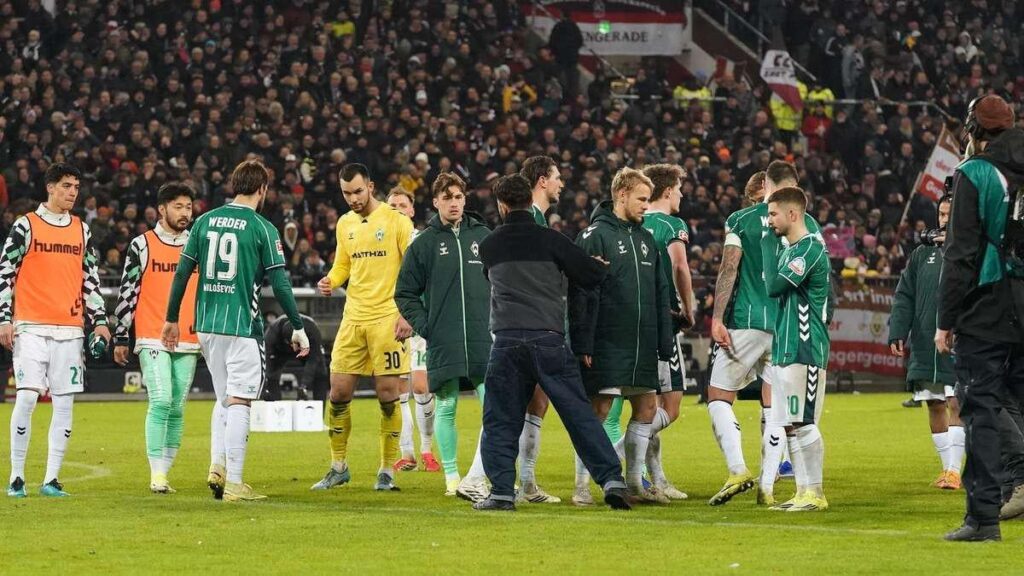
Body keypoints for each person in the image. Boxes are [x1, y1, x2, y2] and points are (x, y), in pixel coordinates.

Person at [473, 174, 630, 512]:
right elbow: (589, 275)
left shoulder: (489, 246)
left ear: (501, 205)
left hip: (506, 341)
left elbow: (491, 277)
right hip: (548, 338)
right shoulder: (552, 240)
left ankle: (501, 491)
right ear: (530, 201)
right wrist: (597, 266)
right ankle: (611, 479)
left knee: (501, 418)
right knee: (578, 414)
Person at [162, 159, 310, 502]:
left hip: (208, 326)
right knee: (241, 400)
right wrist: (298, 325)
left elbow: (182, 273)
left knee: (224, 397)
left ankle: (218, 465)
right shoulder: (263, 228)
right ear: (262, 189)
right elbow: (281, 285)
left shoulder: (204, 222)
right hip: (242, 326)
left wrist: (171, 318)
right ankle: (236, 483)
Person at [937, 94, 1024, 542]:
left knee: (982, 407)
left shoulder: (974, 173)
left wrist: (945, 319)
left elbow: (961, 254)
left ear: (975, 129)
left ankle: (984, 519)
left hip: (988, 303)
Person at [707, 163, 820, 507]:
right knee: (775, 408)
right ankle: (767, 487)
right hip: (785, 326)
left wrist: (716, 317)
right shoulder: (806, 223)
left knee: (718, 395)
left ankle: (738, 469)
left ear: (767, 183)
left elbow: (729, 268)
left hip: (747, 320)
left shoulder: (740, 220)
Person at [3, 162, 111, 498]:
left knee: (64, 403)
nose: (72, 193)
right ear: (50, 187)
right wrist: (4, 318)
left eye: (76, 187)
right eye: (66, 186)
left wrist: (102, 322)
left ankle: (51, 479)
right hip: (32, 326)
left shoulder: (81, 229)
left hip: (70, 328)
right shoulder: (26, 226)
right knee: (27, 396)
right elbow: (5, 273)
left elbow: (90, 278)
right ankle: (17, 476)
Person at [571, 167, 674, 504]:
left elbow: (661, 293)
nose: (647, 205)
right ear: (621, 195)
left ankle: (633, 483)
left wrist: (664, 341)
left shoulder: (646, 239)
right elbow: (580, 294)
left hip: (641, 341)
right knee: (598, 411)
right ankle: (582, 486)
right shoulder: (593, 236)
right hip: (606, 341)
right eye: (642, 199)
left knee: (646, 408)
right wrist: (583, 342)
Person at [312, 163, 414, 493]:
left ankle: (386, 470)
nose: (353, 198)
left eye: (358, 191)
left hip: (387, 317)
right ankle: (338, 466)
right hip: (353, 318)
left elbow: (413, 271)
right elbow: (343, 264)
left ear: (370, 186)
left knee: (387, 396)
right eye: (346, 193)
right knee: (338, 393)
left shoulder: (397, 221)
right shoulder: (345, 224)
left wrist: (408, 314)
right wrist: (331, 280)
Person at [395, 172, 492, 501]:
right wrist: (427, 325)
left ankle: (487, 473)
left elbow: (501, 281)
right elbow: (405, 292)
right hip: (444, 338)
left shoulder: (483, 236)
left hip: (482, 336)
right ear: (435, 202)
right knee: (447, 405)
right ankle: (452, 475)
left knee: (494, 406)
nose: (454, 202)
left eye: (459, 196)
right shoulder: (424, 243)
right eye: (447, 197)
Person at [112, 183, 199, 494]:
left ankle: (164, 472)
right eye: (178, 207)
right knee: (161, 400)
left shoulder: (198, 244)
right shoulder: (142, 245)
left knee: (177, 407)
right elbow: (128, 292)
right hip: (151, 336)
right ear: (162, 209)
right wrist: (121, 336)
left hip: (190, 338)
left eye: (188, 207)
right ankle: (156, 475)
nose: (185, 213)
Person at [763, 186, 832, 512]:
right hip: (786, 347)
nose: (769, 220)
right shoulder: (791, 250)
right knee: (792, 422)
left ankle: (815, 492)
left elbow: (774, 286)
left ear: (793, 214)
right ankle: (802, 492)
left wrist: (766, 243)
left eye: (773, 213)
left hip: (804, 346)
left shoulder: (810, 249)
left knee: (803, 422)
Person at [888, 194, 963, 489]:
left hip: (958, 341)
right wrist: (897, 330)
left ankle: (956, 470)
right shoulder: (922, 254)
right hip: (923, 340)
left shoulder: (971, 251)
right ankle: (947, 470)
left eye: (950, 214)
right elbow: (904, 294)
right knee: (933, 404)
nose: (944, 220)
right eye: (941, 214)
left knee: (956, 401)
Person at [636, 163, 694, 500]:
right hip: (664, 323)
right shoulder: (672, 224)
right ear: (668, 190)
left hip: (638, 322)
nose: (683, 195)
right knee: (669, 409)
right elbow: (679, 265)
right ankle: (618, 449)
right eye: (680, 189)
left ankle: (657, 479)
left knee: (647, 407)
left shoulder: (636, 221)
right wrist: (688, 309)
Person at [510, 155, 565, 504]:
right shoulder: (529, 219)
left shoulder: (538, 219)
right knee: (517, 403)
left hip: (529, 319)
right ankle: (481, 477)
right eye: (557, 177)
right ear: (542, 181)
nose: (561, 184)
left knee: (534, 402)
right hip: (526, 322)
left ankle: (526, 483)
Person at [386, 187, 439, 474]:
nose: (396, 209)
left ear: (411, 210)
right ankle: (407, 454)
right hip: (386, 319)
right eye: (391, 205)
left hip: (415, 320)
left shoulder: (419, 240)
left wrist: (409, 313)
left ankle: (427, 447)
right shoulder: (379, 238)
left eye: (401, 205)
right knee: (397, 389)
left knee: (421, 385)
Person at [264, 313, 327, 402]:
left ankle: (319, 413)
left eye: (296, 344)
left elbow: (313, 359)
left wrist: (304, 386)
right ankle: (275, 408)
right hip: (280, 351)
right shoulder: (272, 332)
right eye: (292, 344)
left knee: (320, 373)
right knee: (271, 377)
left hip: (305, 348)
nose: (294, 348)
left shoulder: (312, 330)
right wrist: (266, 382)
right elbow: (266, 358)